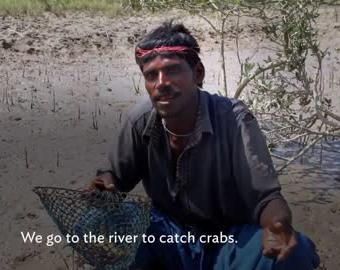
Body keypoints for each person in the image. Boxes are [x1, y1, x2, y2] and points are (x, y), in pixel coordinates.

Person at [85, 21, 320, 270]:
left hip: (227, 244)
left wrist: (278, 225)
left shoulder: (234, 119)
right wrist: (104, 185)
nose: (161, 82)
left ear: (198, 73)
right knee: (93, 223)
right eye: (151, 75)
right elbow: (113, 179)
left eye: (172, 70)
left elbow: (266, 199)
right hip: (168, 237)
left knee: (296, 252)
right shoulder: (140, 121)